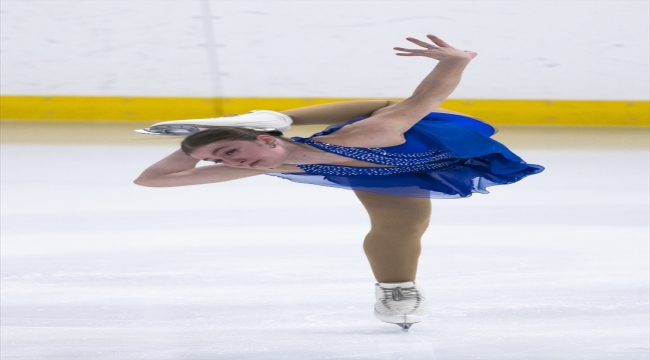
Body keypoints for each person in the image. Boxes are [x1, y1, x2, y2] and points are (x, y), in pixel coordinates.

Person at [134, 35, 544, 330]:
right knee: (401, 227)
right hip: (388, 173)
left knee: (389, 108)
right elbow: (151, 180)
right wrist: (194, 147)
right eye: (218, 161)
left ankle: (277, 119)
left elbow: (425, 100)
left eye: (230, 153)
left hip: (424, 139)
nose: (232, 165)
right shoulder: (264, 165)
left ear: (262, 141)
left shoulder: (365, 134)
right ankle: (397, 290)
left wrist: (456, 60)